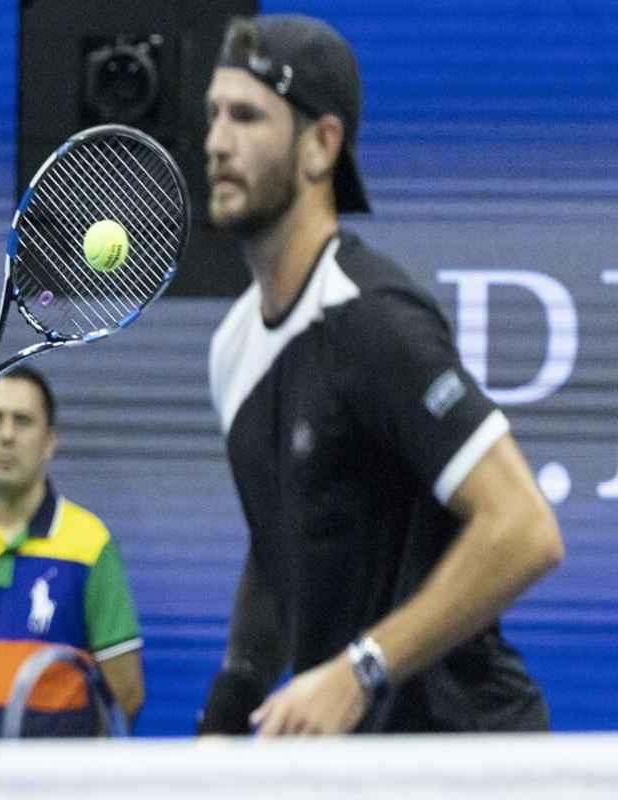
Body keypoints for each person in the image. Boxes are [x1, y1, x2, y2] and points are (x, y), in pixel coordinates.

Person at [198, 15, 564, 735]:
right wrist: (227, 711)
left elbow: (524, 528)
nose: (215, 143)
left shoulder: (374, 323)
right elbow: (278, 557)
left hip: (471, 754)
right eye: (212, 115)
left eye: (246, 116)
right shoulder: (232, 346)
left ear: (321, 145)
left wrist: (363, 666)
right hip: (355, 761)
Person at [0, 366, 144, 737]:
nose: (7, 435)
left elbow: (126, 692)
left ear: (50, 440)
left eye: (23, 421)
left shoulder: (91, 543)